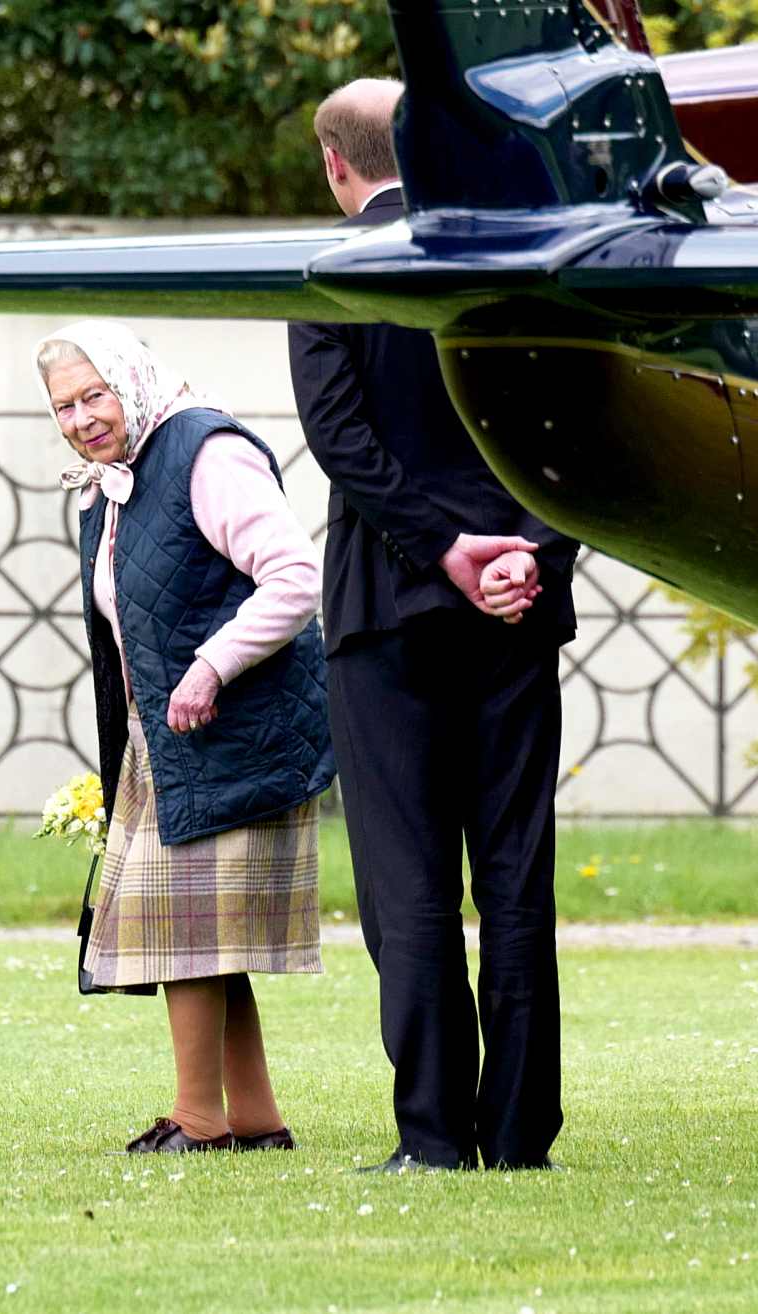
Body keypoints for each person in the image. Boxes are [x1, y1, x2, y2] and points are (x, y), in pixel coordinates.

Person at [288, 79, 580, 1172]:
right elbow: (577, 429)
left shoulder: (333, 271)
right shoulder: (516, 259)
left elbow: (342, 442)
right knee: (514, 877)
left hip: (386, 611)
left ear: (335, 165)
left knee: (407, 886)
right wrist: (522, 553)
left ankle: (431, 1139)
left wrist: (438, 551)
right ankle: (516, 1136)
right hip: (515, 611)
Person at [34, 320, 334, 1154]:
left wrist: (209, 668)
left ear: (130, 381)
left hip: (233, 732)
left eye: (95, 395)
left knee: (186, 936)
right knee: (200, 935)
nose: (83, 418)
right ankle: (256, 1119)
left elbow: (294, 577)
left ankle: (198, 1120)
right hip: (166, 740)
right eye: (65, 406)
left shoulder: (206, 453)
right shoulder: (115, 480)